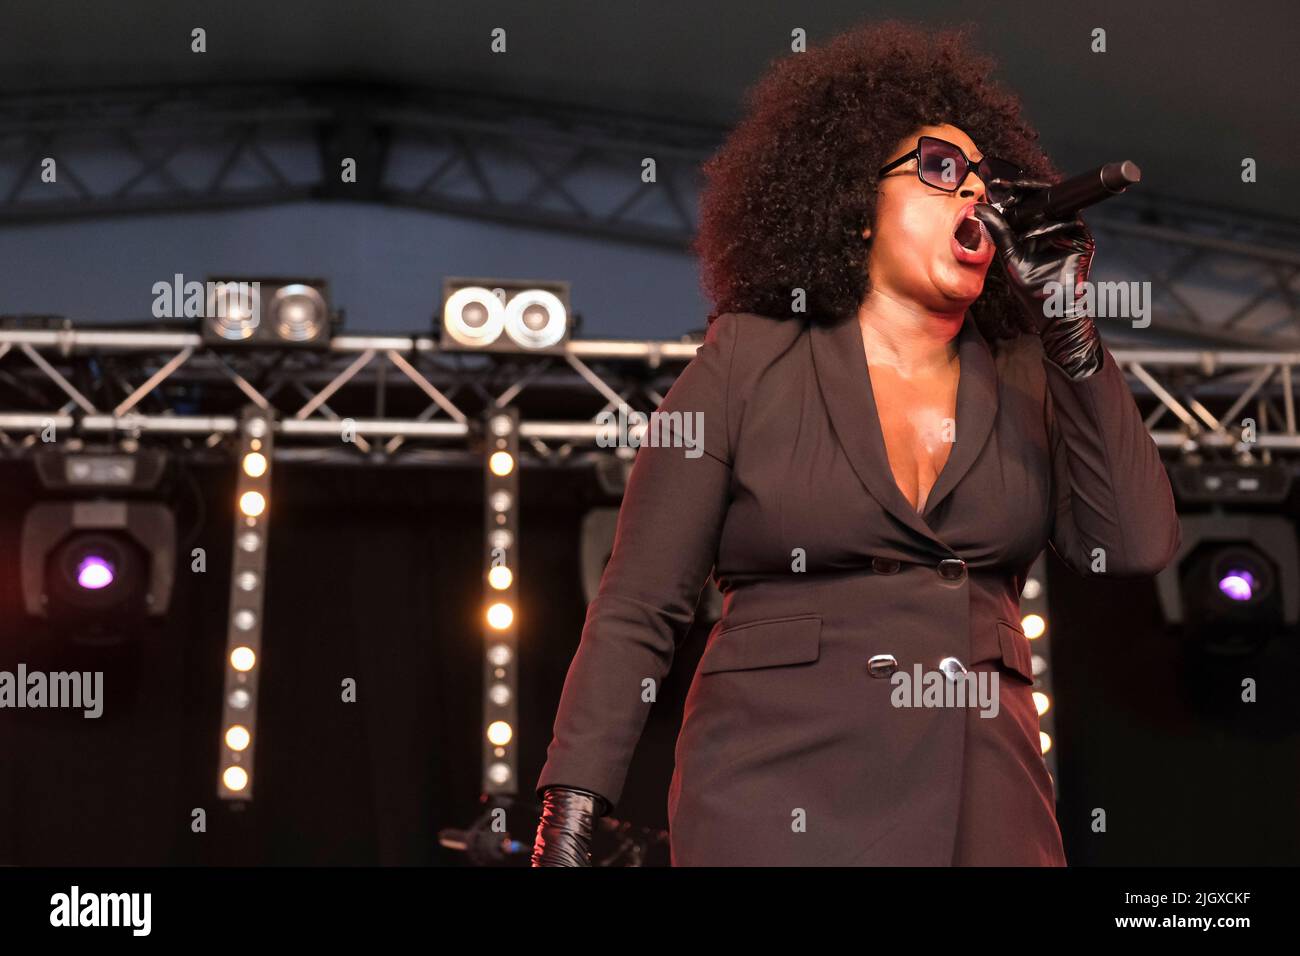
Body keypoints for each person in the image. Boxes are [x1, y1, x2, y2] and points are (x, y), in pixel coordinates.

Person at [531, 20, 1181, 866]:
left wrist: (1068, 326)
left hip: (984, 793)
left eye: (986, 181)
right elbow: (637, 608)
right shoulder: (747, 361)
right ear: (852, 205)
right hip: (775, 790)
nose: (974, 196)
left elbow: (1134, 544)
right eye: (940, 170)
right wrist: (571, 813)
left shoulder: (1027, 375)